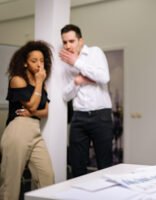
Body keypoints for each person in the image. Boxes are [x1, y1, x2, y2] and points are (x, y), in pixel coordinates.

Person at [0, 41, 55, 200]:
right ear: (25, 62)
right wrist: (38, 82)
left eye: (42, 61)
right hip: (18, 130)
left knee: (47, 177)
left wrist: (32, 113)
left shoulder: (42, 85)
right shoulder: (17, 79)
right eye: (34, 60)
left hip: (35, 131)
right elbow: (31, 104)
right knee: (11, 183)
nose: (39, 65)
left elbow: (44, 111)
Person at [59, 24, 114, 177]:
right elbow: (65, 95)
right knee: (77, 165)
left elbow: (104, 77)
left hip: (101, 115)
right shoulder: (64, 65)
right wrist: (77, 81)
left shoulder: (95, 53)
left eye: (71, 41)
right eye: (65, 42)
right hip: (79, 117)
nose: (68, 46)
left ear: (80, 41)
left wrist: (77, 63)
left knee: (105, 164)